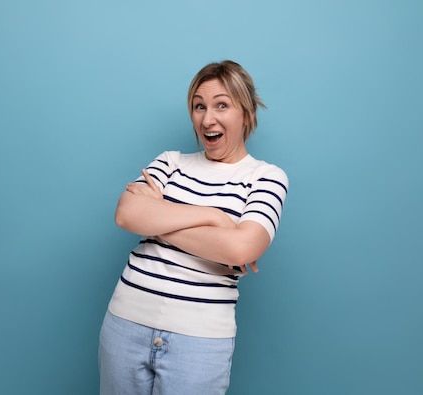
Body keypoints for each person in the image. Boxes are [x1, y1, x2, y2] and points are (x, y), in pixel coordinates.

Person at [98, 60, 289, 395]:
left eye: (222, 105)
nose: (207, 118)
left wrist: (159, 216)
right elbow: (126, 213)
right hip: (126, 321)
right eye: (199, 106)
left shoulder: (266, 177)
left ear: (246, 113)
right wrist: (216, 218)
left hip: (199, 340)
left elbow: (241, 249)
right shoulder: (171, 161)